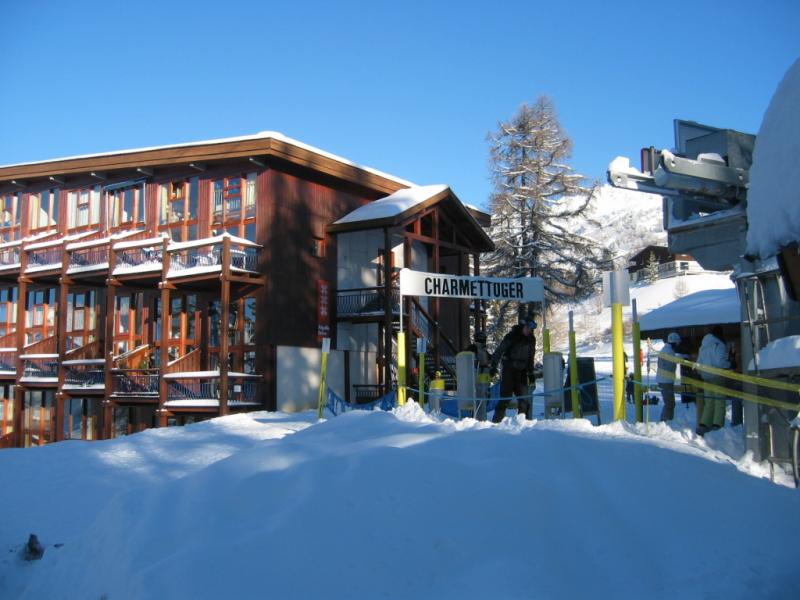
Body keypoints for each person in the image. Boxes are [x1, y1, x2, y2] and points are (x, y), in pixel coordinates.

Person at [490, 317, 536, 422]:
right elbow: (499, 351)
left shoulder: (531, 339)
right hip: (509, 369)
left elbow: (531, 357)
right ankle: (497, 422)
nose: (529, 331)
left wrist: (531, 372)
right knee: (505, 398)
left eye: (530, 329)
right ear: (522, 327)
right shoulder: (512, 336)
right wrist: (493, 367)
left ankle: (523, 422)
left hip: (522, 371)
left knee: (524, 399)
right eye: (527, 328)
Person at [696, 326, 731, 436]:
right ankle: (717, 424)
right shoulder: (719, 345)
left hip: (705, 376)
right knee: (719, 401)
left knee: (709, 401)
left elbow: (699, 362)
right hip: (717, 375)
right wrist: (729, 364)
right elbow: (720, 362)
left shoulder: (703, 346)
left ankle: (704, 424)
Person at [657, 332, 686, 421]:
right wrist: (682, 358)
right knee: (670, 404)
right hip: (665, 381)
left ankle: (665, 421)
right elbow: (671, 363)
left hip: (664, 380)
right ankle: (666, 422)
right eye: (677, 344)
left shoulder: (666, 350)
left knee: (669, 403)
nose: (678, 346)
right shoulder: (668, 352)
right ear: (674, 343)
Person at [466, 331, 492, 420]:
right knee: (480, 399)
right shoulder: (475, 349)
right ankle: (479, 419)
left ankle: (478, 417)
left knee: (481, 399)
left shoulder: (476, 349)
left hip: (479, 378)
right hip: (479, 378)